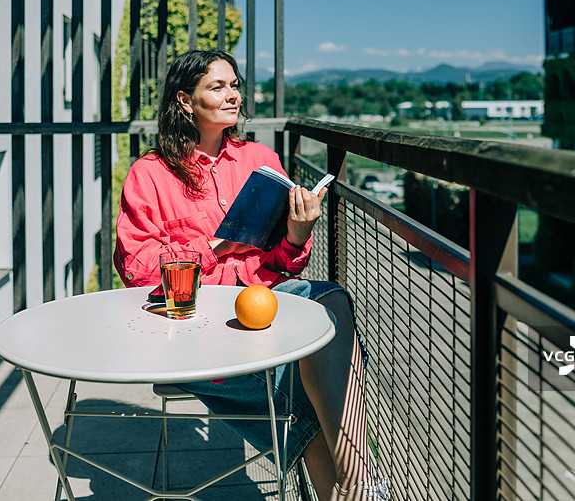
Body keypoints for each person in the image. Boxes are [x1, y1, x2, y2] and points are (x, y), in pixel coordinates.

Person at [113, 49, 389, 501]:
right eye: (217, 86)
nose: (233, 95)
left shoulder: (259, 159)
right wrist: (213, 248)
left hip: (267, 310)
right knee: (312, 400)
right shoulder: (151, 174)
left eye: (235, 84)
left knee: (331, 299)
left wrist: (297, 234)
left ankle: (357, 485)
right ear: (185, 101)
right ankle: (360, 484)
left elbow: (281, 264)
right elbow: (139, 270)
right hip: (196, 330)